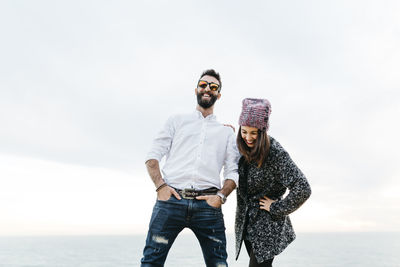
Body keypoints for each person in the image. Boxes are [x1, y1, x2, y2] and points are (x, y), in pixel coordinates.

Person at [141, 69, 239, 267]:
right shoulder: (176, 121)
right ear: (196, 89)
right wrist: (160, 187)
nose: (207, 89)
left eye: (213, 87)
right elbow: (152, 156)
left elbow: (232, 172)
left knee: (219, 264)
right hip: (170, 202)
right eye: (203, 85)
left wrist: (220, 197)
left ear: (218, 95)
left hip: (208, 206)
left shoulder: (226, 133)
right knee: (151, 262)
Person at [234, 98, 312, 267]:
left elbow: (303, 188)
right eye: (244, 131)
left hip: (267, 225)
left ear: (263, 131)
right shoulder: (241, 148)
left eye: (254, 133)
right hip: (248, 224)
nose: (248, 137)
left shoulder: (275, 153)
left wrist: (276, 208)